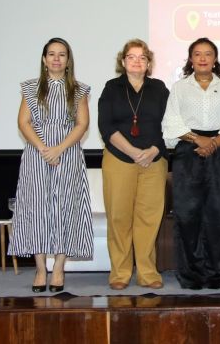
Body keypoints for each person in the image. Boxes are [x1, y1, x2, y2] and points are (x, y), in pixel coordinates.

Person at [9, 37, 94, 293]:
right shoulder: (30, 87)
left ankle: (58, 268)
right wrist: (44, 149)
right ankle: (39, 268)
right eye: (52, 54)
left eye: (62, 54)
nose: (57, 58)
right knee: (37, 209)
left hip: (68, 155)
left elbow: (82, 125)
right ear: (44, 59)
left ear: (68, 61)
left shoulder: (78, 89)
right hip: (37, 155)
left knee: (65, 209)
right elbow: (23, 122)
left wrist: (59, 148)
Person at [161, 38, 220, 289]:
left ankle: (217, 274)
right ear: (190, 59)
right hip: (187, 152)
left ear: (215, 58)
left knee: (216, 215)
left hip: (218, 153)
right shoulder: (179, 88)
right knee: (187, 216)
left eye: (208, 54)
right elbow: (170, 123)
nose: (203, 58)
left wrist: (214, 143)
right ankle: (191, 275)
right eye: (197, 54)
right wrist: (197, 139)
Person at [98, 39, 170, 290]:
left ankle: (148, 273)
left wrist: (152, 150)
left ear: (149, 63)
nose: (137, 61)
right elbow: (106, 127)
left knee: (149, 219)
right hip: (119, 159)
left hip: (153, 160)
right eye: (131, 57)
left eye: (142, 57)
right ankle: (120, 272)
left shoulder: (159, 89)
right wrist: (132, 151)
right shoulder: (112, 88)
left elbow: (170, 125)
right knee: (119, 217)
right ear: (123, 61)